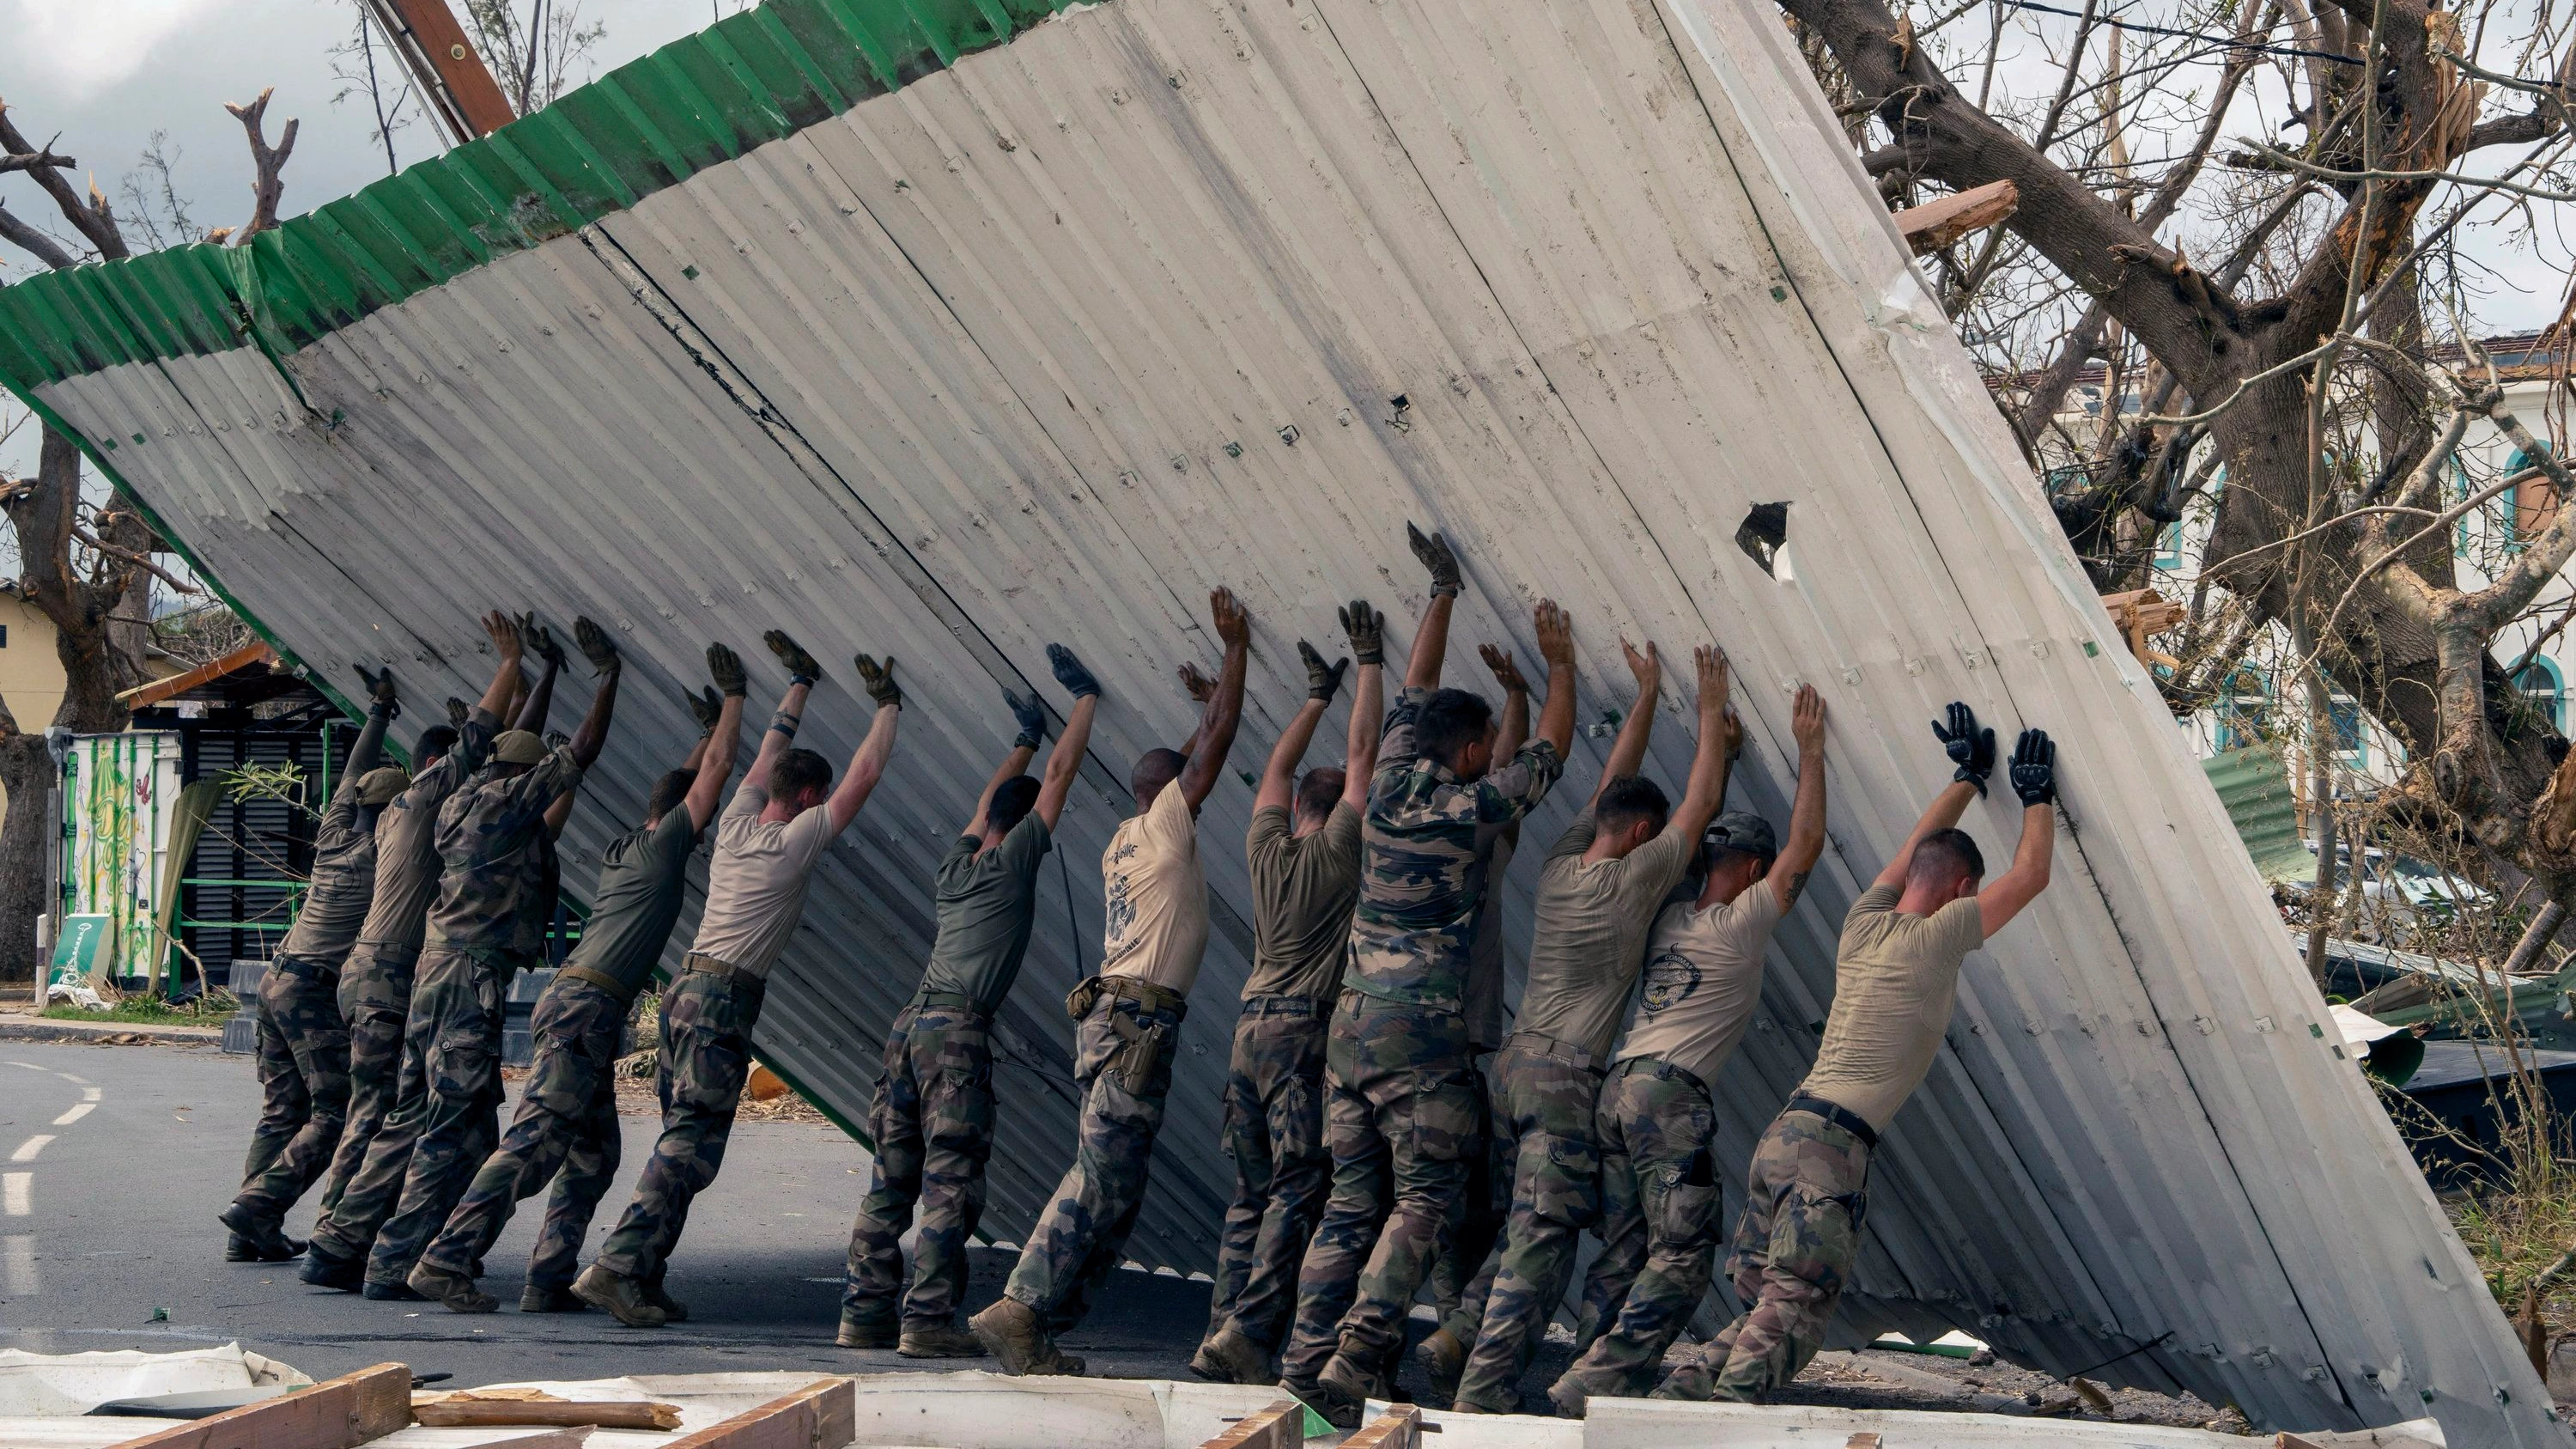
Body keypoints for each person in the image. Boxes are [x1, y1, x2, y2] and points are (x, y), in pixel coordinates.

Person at [1654, 702, 2058, 1404]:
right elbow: (2029, 877)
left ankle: (1669, 1405)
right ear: (1961, 892)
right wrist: (2038, 797)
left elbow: (1911, 852)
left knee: (1762, 1309)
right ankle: (1715, 1423)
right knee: (1792, 1314)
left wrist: (1967, 778)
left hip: (1782, 1136)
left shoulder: (1861, 923)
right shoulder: (1941, 936)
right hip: (1830, 1149)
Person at [1278, 526, 1574, 1421]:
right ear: (1473, 748)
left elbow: (1413, 685)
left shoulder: (1396, 777)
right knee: (1424, 1199)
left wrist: (1440, 592)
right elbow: (1549, 758)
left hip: (1352, 1031)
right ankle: (1358, 1354)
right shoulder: (1466, 805)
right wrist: (1559, 671)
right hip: (1422, 1039)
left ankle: (1303, 1359)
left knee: (1350, 1203)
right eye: (1487, 740)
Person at [408, 644, 750, 1314]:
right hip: (583, 1010)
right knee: (533, 1142)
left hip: (574, 1003)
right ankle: (446, 1257)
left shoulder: (632, 845)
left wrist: (704, 733)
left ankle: (547, 1276)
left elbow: (679, 785)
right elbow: (705, 780)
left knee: (593, 1153)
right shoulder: (661, 847)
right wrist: (731, 706)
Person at [575, 631, 905, 1326]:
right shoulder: (796, 841)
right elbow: (865, 776)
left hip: (684, 990)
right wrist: (888, 705)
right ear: (810, 795)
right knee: (692, 1142)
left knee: (682, 1136)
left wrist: (799, 686)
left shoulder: (734, 823)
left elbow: (761, 755)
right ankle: (616, 1265)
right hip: (724, 999)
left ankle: (642, 1274)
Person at [1449, 640, 1735, 1414]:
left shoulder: (1564, 863)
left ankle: (1458, 1329)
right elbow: (1701, 804)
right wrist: (1711, 709)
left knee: (1522, 1217)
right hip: (1565, 1079)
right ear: (1643, 837)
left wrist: (1645, 693)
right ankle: (1481, 1391)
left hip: (1512, 1063)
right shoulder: (1636, 876)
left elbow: (1612, 781)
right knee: (1544, 1240)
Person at [970, 589, 1252, 1375]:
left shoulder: (1128, 835)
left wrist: (1204, 706)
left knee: (1119, 1187)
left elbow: (1200, 743)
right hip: (1135, 1025)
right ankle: (1022, 1305)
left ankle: (1042, 1324)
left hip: (1115, 1019)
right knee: (1099, 1175)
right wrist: (1236, 652)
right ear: (1171, 794)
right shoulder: (1165, 824)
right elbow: (1215, 745)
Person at [1550, 684, 1829, 1416]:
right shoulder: (1741, 922)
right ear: (1752, 865)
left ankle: (1588, 1371)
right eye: (1761, 865)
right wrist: (1810, 750)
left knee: (1623, 1245)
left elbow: (1703, 843)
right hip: (1669, 1098)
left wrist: (1725, 759)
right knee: (1682, 1252)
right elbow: (1805, 847)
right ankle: (1599, 1379)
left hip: (1616, 1090)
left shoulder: (1672, 912)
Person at [839, 648, 1100, 1355]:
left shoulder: (954, 868)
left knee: (890, 1178)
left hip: (907, 1028)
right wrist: (1084, 701)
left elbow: (998, 798)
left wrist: (1023, 740)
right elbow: (1060, 781)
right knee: (949, 1182)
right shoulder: (1017, 862)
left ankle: (863, 1312)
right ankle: (925, 1321)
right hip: (956, 1033)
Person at [358, 618, 624, 1297]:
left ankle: (396, 1250)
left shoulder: (462, 798)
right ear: (521, 775)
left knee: (448, 1121)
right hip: (468, 980)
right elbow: (579, 754)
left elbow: (517, 745)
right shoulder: (506, 805)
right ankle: (399, 1261)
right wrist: (607, 677)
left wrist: (548, 675)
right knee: (448, 1128)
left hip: (432, 976)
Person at [1192, 602, 1383, 1385]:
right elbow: (1365, 755)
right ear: (1333, 812)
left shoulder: (1264, 845)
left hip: (1248, 1030)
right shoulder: (1341, 852)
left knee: (1249, 1190)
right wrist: (1369, 662)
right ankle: (1250, 1331)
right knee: (1300, 1186)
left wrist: (1314, 696)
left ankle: (1219, 1332)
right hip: (1304, 1032)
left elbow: (1273, 769)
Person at [302, 614, 525, 1289]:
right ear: (438, 767)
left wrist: (377, 711)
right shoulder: (430, 796)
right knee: (396, 1113)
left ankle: (347, 1239)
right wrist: (511, 664)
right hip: (396, 974)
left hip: (374, 970)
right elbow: (483, 743)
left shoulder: (390, 809)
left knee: (398, 1111)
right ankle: (343, 1241)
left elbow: (358, 771)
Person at [218, 666, 404, 1261]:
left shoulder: (333, 835)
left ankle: (246, 1232)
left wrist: (378, 713)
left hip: (275, 979)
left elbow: (352, 775)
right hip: (310, 991)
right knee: (335, 1109)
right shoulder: (383, 857)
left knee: (280, 1110)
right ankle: (259, 1206)